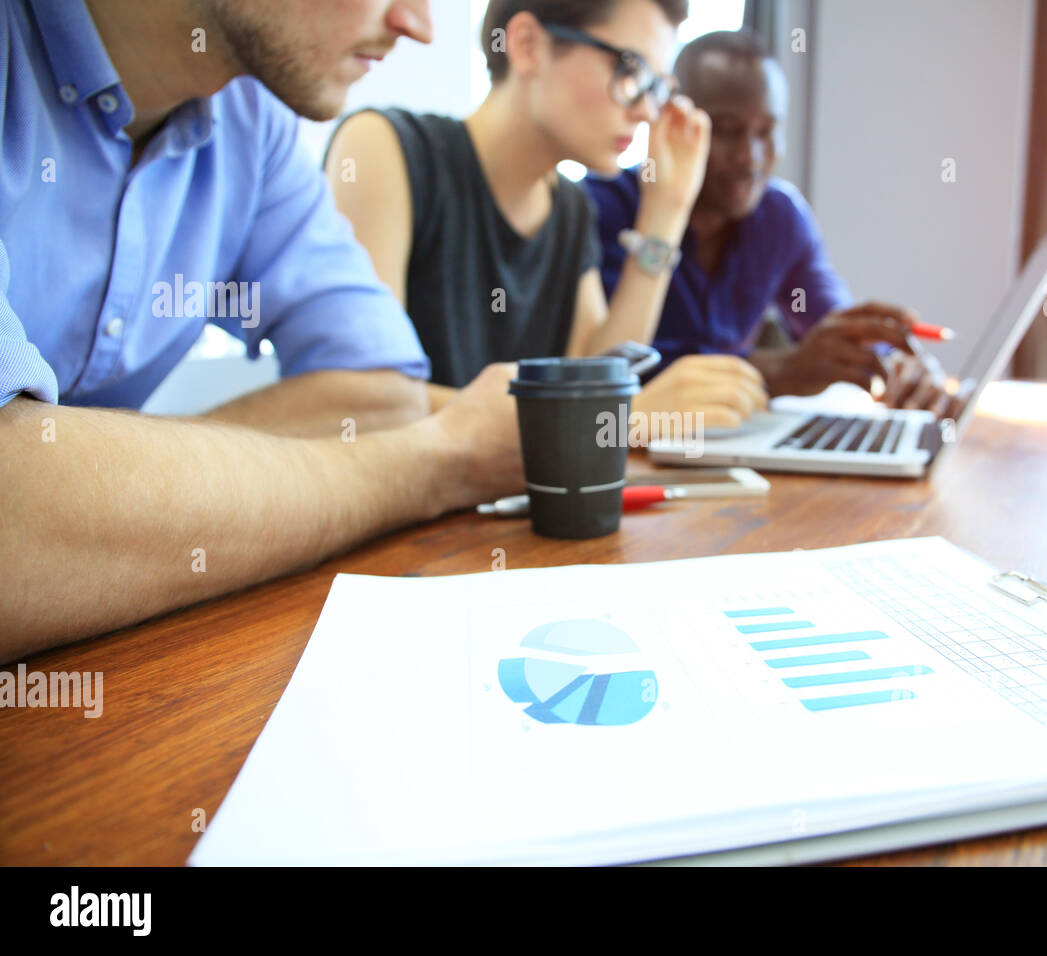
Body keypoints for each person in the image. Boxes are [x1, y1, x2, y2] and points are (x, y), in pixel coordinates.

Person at [0, 0, 524, 663]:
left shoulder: (253, 125)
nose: (417, 25)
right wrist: (435, 464)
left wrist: (94, 487)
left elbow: (379, 394)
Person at [325, 0, 768, 433]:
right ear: (527, 45)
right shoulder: (385, 151)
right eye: (631, 71)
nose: (646, 111)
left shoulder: (570, 209)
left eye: (656, 88)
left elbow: (598, 374)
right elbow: (369, 401)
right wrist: (611, 419)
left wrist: (666, 212)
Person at [583, 30, 968, 414]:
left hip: (730, 442)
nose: (750, 158)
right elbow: (600, 373)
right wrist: (779, 370)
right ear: (669, 118)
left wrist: (893, 362)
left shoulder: (780, 217)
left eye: (766, 132)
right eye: (728, 131)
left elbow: (834, 324)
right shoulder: (597, 211)